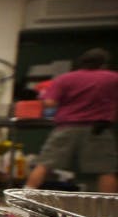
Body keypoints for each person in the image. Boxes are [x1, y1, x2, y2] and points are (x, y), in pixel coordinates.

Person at [25, 47, 118, 192]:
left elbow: (50, 103)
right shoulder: (112, 78)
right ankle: (111, 209)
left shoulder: (66, 78)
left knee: (44, 164)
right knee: (106, 170)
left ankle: (25, 196)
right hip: (98, 129)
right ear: (104, 63)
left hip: (67, 127)